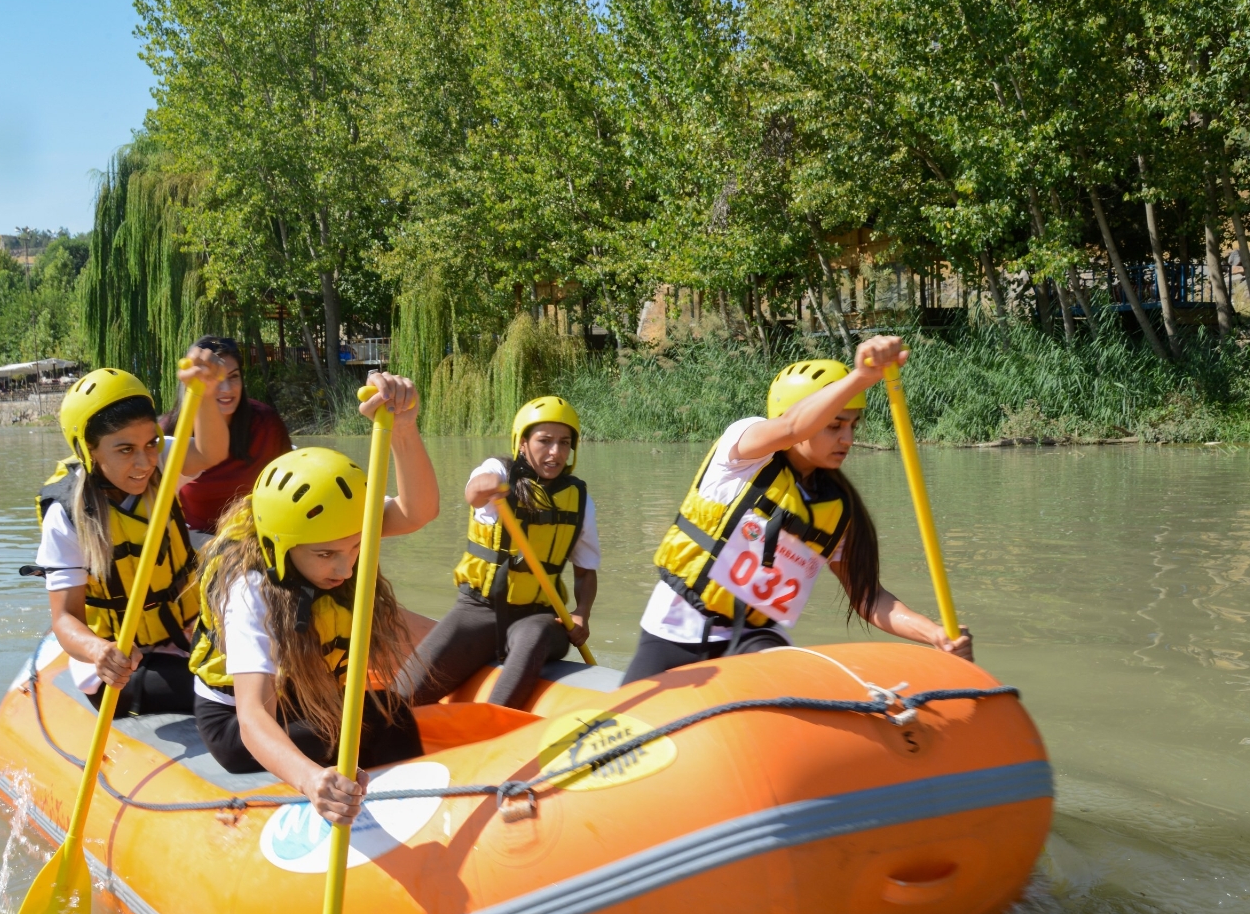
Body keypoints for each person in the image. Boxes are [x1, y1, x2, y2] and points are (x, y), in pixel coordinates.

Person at [624, 336, 973, 684]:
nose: (848, 439)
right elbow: (793, 428)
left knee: (787, 687)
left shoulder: (835, 507)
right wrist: (863, 377)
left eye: (853, 425)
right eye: (835, 425)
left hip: (755, 639)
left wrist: (935, 634)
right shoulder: (741, 453)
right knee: (624, 728)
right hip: (675, 628)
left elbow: (867, 597)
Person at [187, 374, 440, 826]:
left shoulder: (336, 526)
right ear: (282, 547)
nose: (345, 569)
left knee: (394, 719)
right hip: (236, 725)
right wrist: (311, 781)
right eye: (326, 555)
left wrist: (403, 427)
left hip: (306, 696)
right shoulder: (250, 590)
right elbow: (252, 719)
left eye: (355, 548)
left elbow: (417, 511)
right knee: (341, 735)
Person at [32, 354, 229, 717]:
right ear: (88, 451)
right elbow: (65, 619)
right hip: (122, 665)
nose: (144, 462)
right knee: (220, 695)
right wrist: (97, 652)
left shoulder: (158, 461)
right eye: (125, 450)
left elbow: (210, 452)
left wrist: (206, 393)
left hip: (184, 637)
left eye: (150, 443)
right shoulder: (66, 515)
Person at [400, 396, 599, 710]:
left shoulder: (580, 500)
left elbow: (586, 571)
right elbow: (473, 493)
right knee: (401, 699)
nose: (555, 453)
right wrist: (485, 485)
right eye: (544, 441)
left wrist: (581, 613)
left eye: (564, 443)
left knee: (533, 635)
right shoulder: (499, 470)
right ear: (522, 443)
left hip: (539, 617)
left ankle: (490, 723)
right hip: (478, 610)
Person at [161, 335, 292, 534]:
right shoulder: (168, 431)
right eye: (215, 380)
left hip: (254, 536)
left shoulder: (266, 424)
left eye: (233, 377)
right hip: (196, 541)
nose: (226, 389)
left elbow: (289, 485)